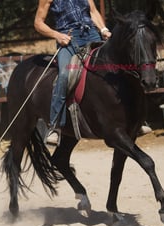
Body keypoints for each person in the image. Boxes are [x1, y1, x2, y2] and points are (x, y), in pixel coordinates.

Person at [34, 0, 112, 145]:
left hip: (92, 34)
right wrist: (57, 35)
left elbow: (93, 11)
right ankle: (54, 126)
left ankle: (131, 117)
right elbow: (38, 23)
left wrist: (103, 30)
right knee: (64, 74)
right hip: (69, 38)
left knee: (113, 65)